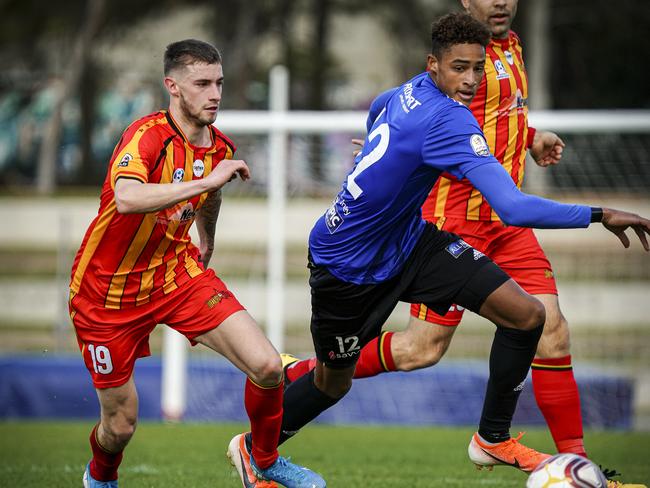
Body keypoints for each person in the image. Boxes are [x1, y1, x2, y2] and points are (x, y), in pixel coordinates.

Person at [274, 11, 650, 479]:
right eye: (461, 69)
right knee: (408, 355)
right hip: (429, 227)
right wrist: (600, 213)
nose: (472, 78)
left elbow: (485, 119)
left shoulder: (501, 50)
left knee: (540, 322)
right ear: (436, 62)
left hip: (469, 232)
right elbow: (506, 195)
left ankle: (558, 460)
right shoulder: (444, 112)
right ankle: (285, 411)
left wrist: (528, 138)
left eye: (476, 67)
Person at [69, 39, 325, 488]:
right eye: (202, 83)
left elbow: (212, 192)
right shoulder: (146, 136)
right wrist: (209, 180)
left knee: (266, 366)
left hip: (176, 275)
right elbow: (128, 198)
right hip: (106, 295)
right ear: (172, 86)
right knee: (120, 425)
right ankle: (100, 477)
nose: (215, 94)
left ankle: (260, 461)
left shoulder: (218, 145)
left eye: (219, 83)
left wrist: (207, 235)